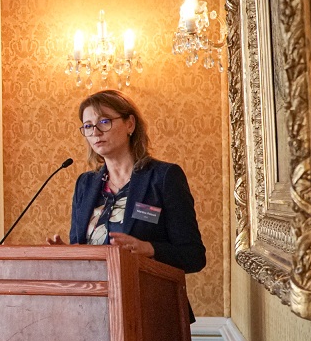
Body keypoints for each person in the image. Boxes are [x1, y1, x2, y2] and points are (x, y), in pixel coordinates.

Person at [48, 89, 206, 276]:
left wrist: (149, 248)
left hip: (145, 291)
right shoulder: (85, 184)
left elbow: (193, 256)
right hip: (95, 293)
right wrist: (67, 254)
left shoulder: (164, 177)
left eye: (104, 122)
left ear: (130, 124)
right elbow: (80, 248)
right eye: (88, 126)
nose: (95, 132)